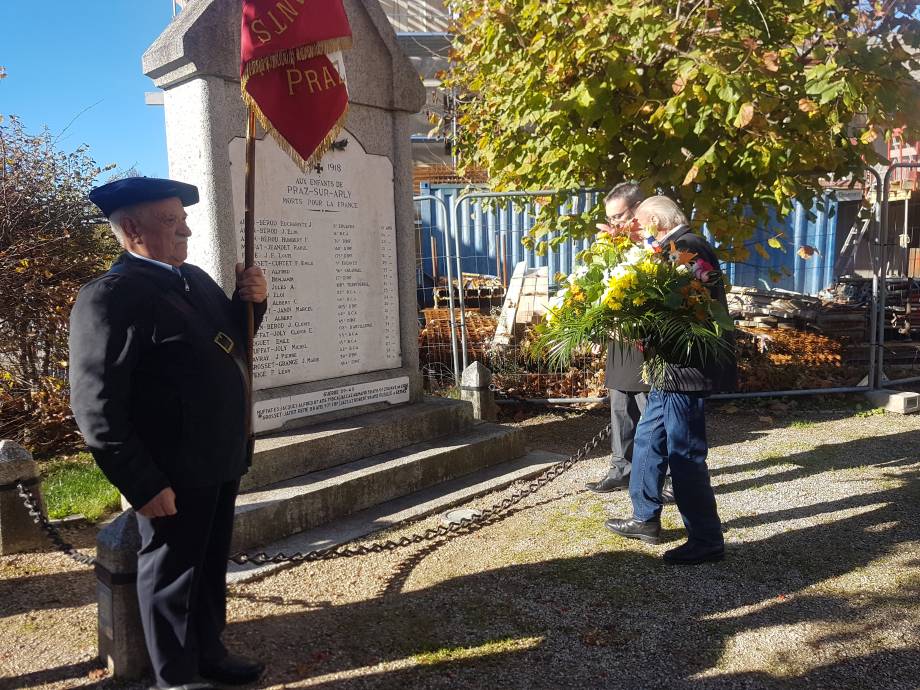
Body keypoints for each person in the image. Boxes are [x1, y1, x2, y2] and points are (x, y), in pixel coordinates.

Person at [69, 177, 269, 689]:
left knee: (206, 568)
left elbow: (231, 340)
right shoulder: (109, 298)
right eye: (171, 221)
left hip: (219, 457)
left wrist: (253, 302)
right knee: (172, 575)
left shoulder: (192, 279)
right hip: (170, 471)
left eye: (182, 219)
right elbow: (97, 404)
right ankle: (176, 677)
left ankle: (208, 651)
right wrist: (140, 482)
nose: (186, 229)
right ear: (132, 227)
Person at [605, 196, 736, 565]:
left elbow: (690, 302)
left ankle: (707, 540)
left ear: (657, 221)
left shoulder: (688, 247)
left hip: (686, 369)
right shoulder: (673, 247)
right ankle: (644, 518)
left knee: (685, 456)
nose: (640, 230)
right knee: (648, 440)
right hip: (670, 368)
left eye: (643, 223)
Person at [586, 183, 673, 504]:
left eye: (619, 216)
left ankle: (662, 474)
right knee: (620, 406)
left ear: (638, 209)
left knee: (650, 411)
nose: (615, 224)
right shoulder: (611, 245)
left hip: (648, 342)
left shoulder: (659, 244)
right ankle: (621, 468)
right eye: (610, 218)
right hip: (619, 340)